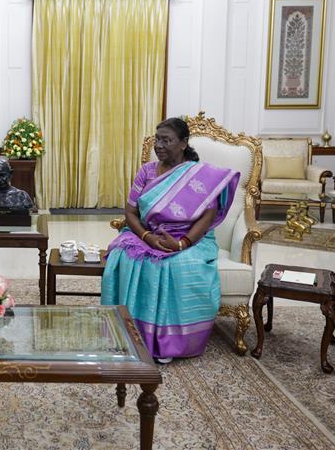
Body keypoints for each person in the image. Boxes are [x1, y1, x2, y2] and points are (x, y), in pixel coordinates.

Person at [101, 117, 240, 364]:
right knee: (126, 256)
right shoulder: (146, 171)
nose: (159, 145)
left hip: (191, 238)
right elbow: (130, 212)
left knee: (176, 265)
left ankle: (168, 342)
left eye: (166, 140)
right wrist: (146, 237)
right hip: (149, 233)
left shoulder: (198, 175)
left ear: (184, 143)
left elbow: (207, 216)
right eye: (157, 139)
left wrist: (181, 244)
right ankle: (129, 335)